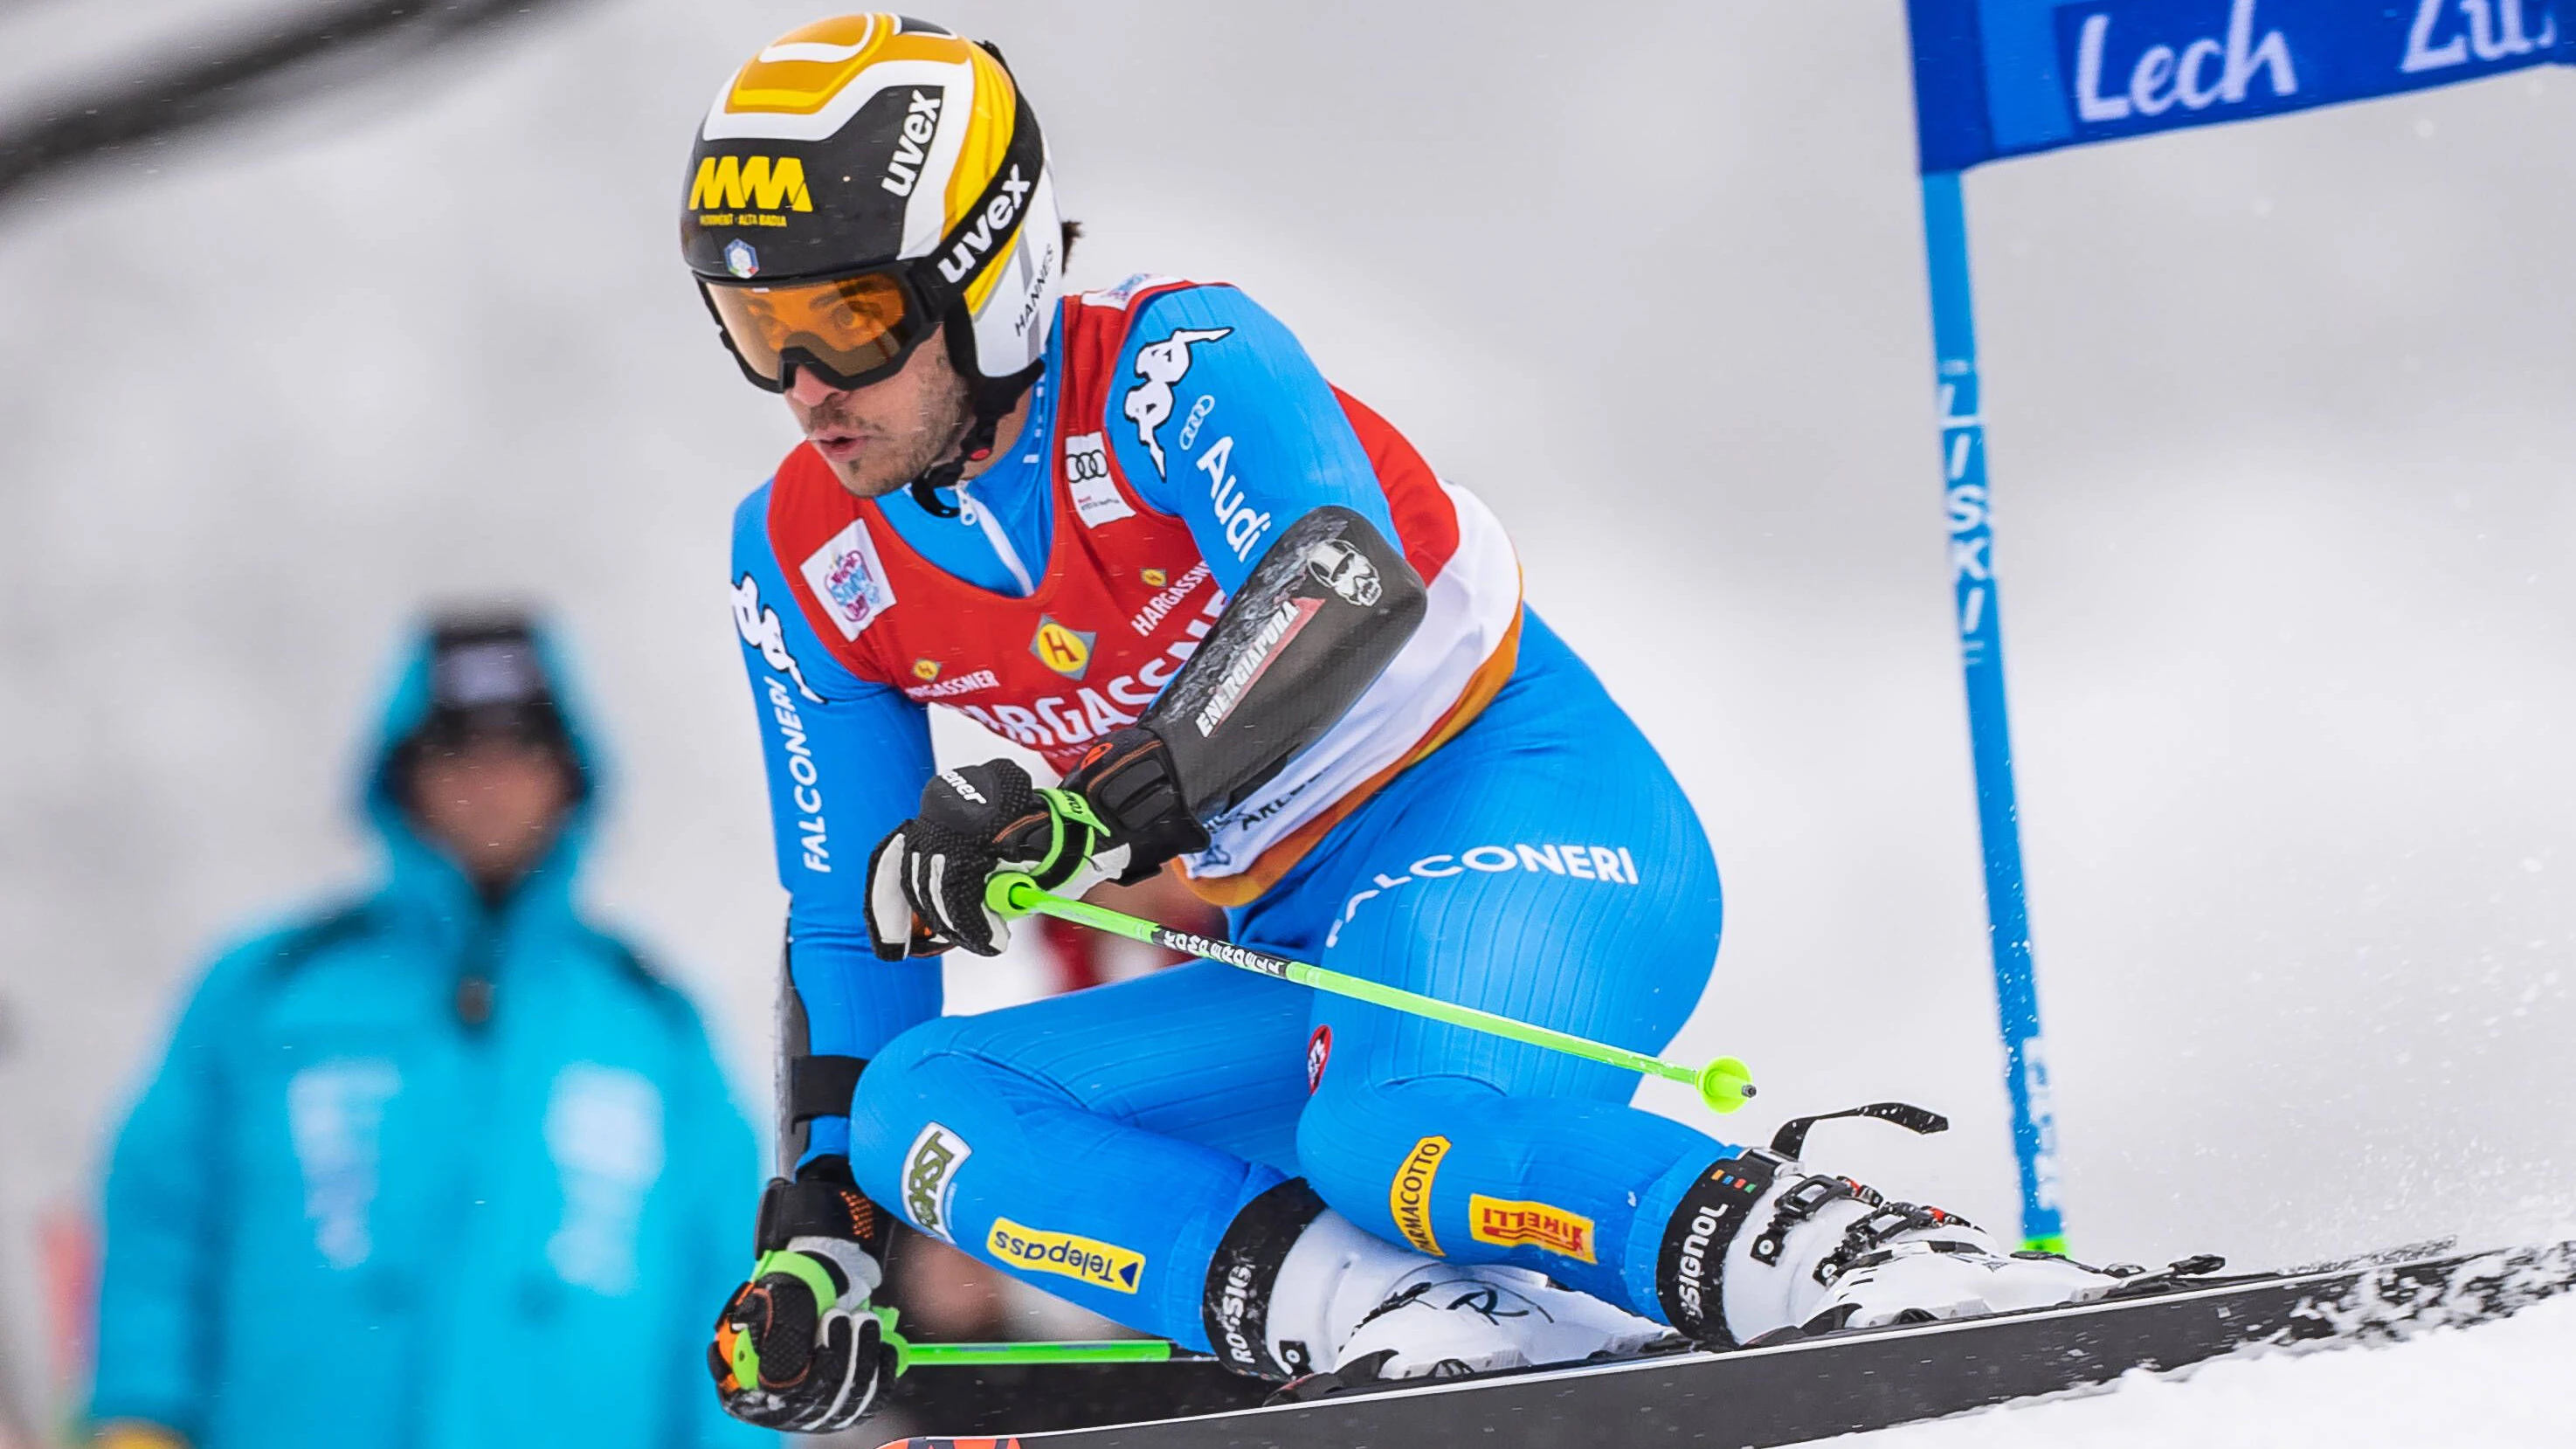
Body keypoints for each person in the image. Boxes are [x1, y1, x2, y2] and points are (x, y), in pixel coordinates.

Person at [695, 16, 2128, 1432]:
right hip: (1316, 955)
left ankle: (1853, 1254)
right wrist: (819, 1231)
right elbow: (845, 916)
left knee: (1385, 1129)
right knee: (919, 1112)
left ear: (987, 274)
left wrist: (1090, 802)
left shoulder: (1174, 365)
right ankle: (1407, 1319)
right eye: (761, 330)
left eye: (850, 319)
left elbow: (1336, 580)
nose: (808, 387)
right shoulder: (804, 553)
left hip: (1519, 824)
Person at [88, 612, 771, 1449]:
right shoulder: (271, 991)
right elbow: (164, 1217)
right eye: (458, 750)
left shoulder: (649, 1020)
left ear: (568, 776)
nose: (491, 782)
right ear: (403, 774)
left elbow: (726, 1279)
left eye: (521, 749)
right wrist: (140, 1409)